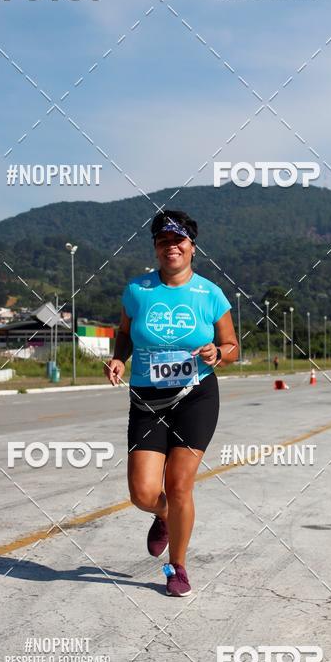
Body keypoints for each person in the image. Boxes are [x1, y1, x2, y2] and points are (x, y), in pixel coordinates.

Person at [104, 210, 239, 597]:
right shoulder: (137, 290)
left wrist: (218, 352)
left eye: (178, 241)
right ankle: (163, 515)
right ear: (156, 248)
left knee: (179, 486)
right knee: (143, 494)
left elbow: (231, 346)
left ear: (192, 248)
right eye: (163, 242)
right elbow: (126, 334)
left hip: (195, 396)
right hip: (147, 399)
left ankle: (176, 567)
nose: (171, 247)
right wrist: (118, 358)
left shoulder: (210, 294)